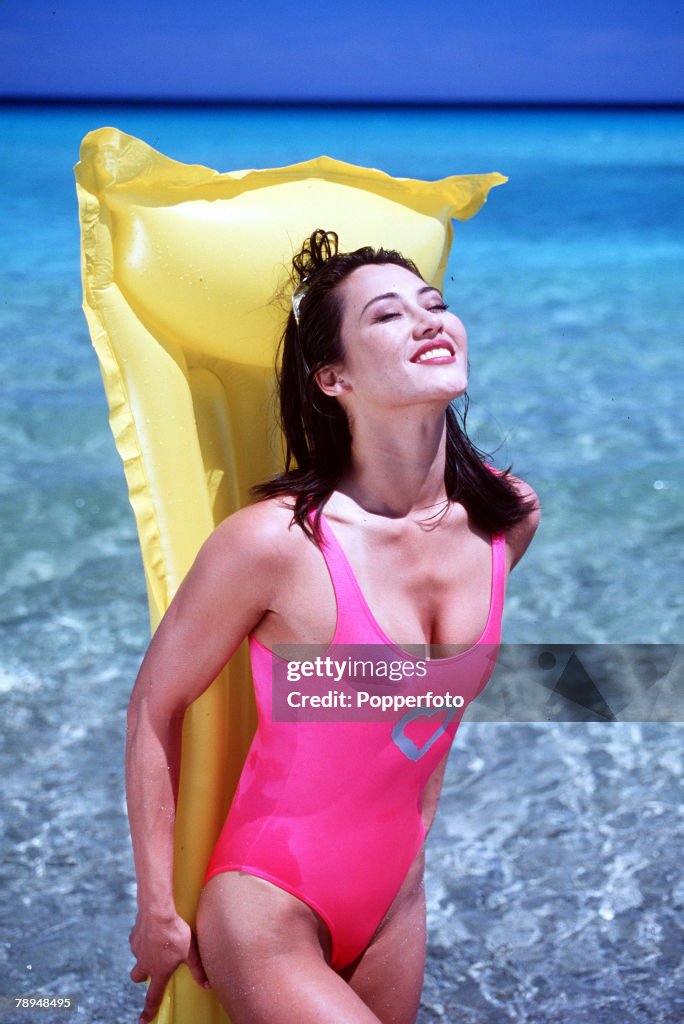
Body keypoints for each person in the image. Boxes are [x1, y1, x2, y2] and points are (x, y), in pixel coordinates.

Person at [126, 229, 540, 1024]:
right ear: (333, 377)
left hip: (396, 906)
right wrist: (158, 911)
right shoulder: (276, 544)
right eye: (388, 316)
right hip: (269, 905)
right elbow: (154, 707)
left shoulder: (506, 517)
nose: (430, 323)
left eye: (436, 305)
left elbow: (417, 716)